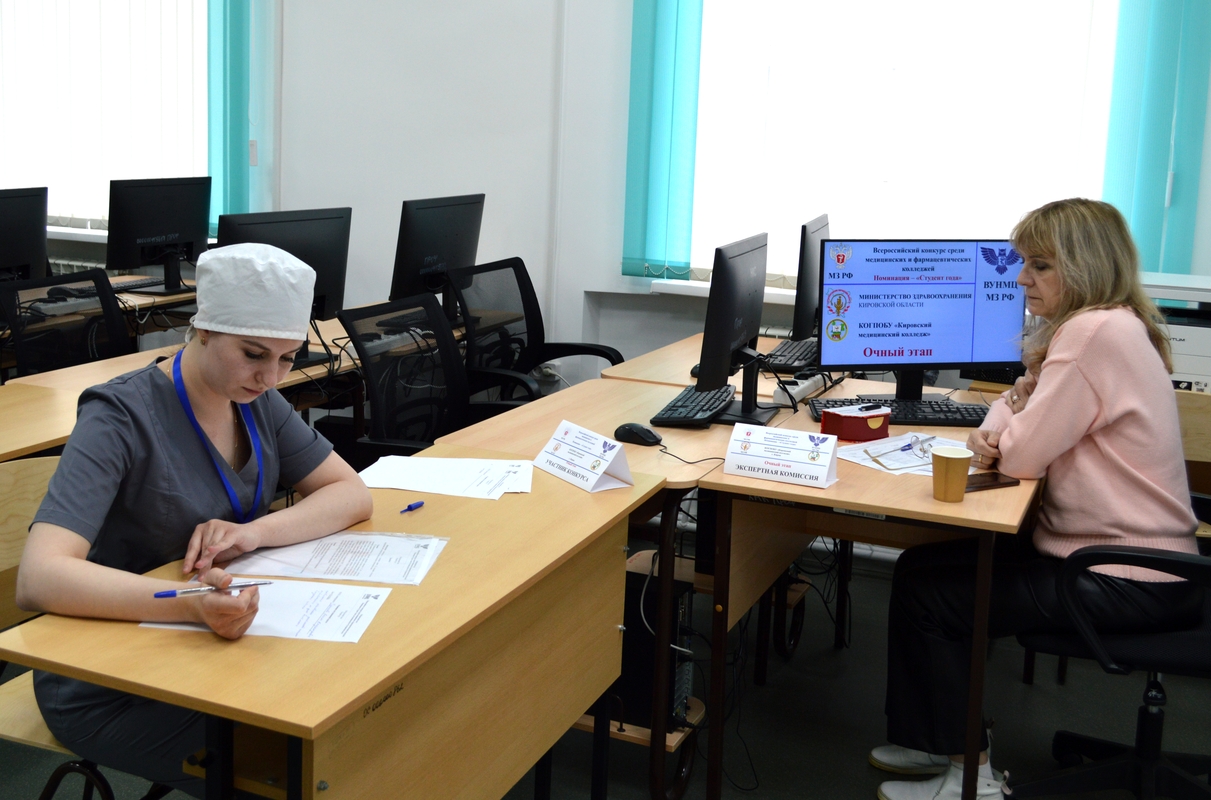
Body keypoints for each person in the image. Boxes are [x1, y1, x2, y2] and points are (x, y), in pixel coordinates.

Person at [868, 199, 1204, 800]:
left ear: (1085, 266)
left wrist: (1006, 428)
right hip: (1130, 559)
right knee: (919, 569)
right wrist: (1006, 421)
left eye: (1040, 265)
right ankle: (934, 740)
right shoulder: (1108, 324)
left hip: (1125, 573)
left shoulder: (1092, 333)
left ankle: (970, 777)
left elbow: (1020, 456)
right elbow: (1014, 402)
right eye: (1024, 262)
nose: (1021, 278)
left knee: (936, 598)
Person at [15, 243, 374, 797]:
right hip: (110, 679)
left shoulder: (254, 399)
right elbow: (39, 577)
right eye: (254, 354)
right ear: (203, 328)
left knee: (353, 721)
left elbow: (350, 493)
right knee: (303, 767)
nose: (270, 377)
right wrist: (189, 605)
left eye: (287, 358)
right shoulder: (118, 416)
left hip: (213, 650)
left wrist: (253, 533)